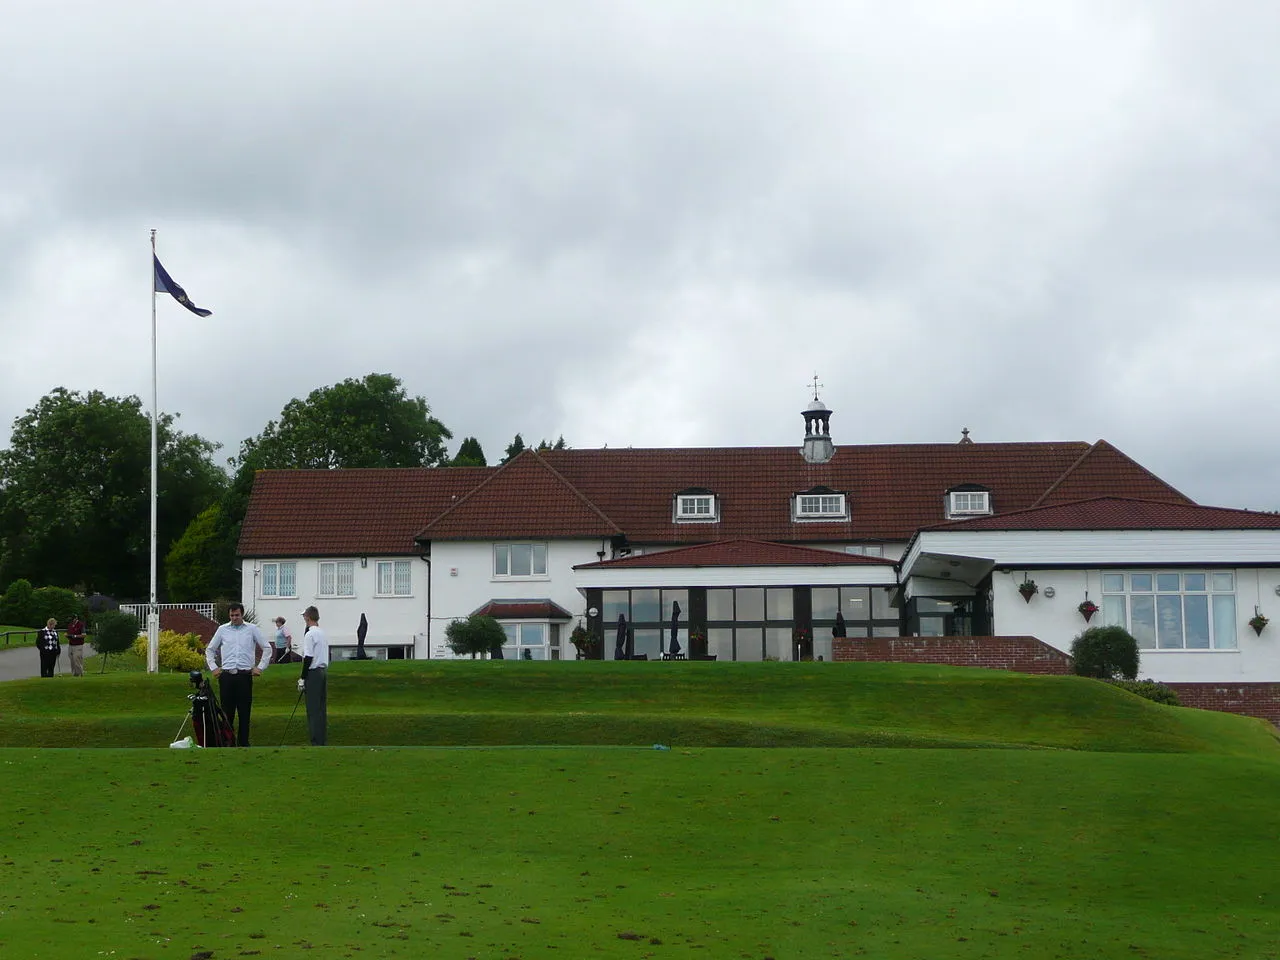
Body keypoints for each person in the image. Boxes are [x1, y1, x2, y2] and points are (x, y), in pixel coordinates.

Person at [205, 603, 272, 747]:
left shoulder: (252, 629)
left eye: (237, 615)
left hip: (244, 676)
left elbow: (267, 648)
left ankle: (243, 743)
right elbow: (210, 650)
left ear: (242, 614)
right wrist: (214, 668)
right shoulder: (222, 630)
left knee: (244, 712)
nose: (234, 618)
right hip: (227, 676)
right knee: (227, 712)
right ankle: (228, 742)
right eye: (232, 615)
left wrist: (260, 667)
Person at [298, 605, 329, 746]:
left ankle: (316, 741)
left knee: (313, 709)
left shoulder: (310, 634)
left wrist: (302, 678)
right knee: (321, 709)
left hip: (313, 673)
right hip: (322, 672)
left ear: (308, 617)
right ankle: (321, 740)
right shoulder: (322, 633)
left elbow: (308, 657)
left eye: (305, 616)